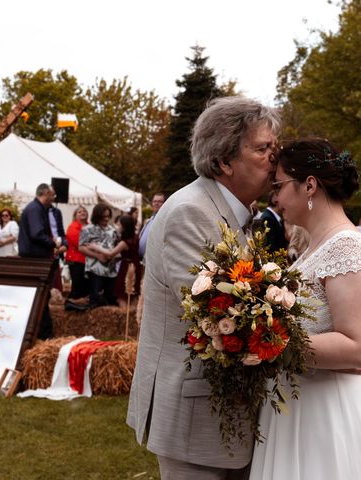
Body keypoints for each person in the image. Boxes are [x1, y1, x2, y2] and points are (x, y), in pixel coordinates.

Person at [127, 96, 280, 479]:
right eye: (263, 149)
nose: (275, 159)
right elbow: (218, 311)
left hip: (217, 405)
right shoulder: (191, 211)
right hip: (192, 408)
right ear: (224, 161)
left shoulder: (230, 211)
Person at [250, 138, 361, 479]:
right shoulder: (316, 246)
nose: (274, 198)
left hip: (332, 410)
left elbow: (358, 347)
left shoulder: (347, 246)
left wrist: (264, 342)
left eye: (279, 186)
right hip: (301, 403)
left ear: (309, 185)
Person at [18, 184, 65, 339]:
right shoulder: (35, 209)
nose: (54, 198)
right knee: (40, 296)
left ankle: (43, 332)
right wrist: (54, 244)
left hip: (37, 257)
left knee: (42, 296)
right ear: (45, 193)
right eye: (53, 194)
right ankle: (43, 333)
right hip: (35, 259)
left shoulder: (37, 209)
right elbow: (37, 234)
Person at [88, 214, 142, 308]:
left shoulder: (124, 242)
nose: (118, 227)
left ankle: (124, 314)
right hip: (136, 266)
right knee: (133, 295)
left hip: (127, 267)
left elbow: (110, 253)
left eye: (119, 225)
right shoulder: (136, 238)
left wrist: (96, 247)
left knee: (122, 295)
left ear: (124, 227)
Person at [78, 204, 119, 309]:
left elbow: (117, 248)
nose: (106, 219)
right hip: (95, 269)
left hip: (111, 270)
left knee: (110, 299)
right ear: (97, 216)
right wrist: (97, 256)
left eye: (108, 216)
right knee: (95, 301)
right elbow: (81, 248)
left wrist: (113, 256)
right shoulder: (87, 229)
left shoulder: (113, 230)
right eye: (103, 216)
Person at [64, 206, 90, 303]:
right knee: (77, 286)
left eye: (84, 211)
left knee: (86, 287)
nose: (82, 213)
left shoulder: (90, 226)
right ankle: (71, 305)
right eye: (79, 212)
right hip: (76, 260)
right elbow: (79, 243)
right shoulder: (72, 227)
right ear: (75, 216)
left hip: (88, 260)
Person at [138, 192, 165, 260]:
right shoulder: (151, 219)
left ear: (164, 204)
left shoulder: (164, 220)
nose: (156, 203)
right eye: (154, 201)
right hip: (142, 260)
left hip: (153, 260)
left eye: (159, 201)